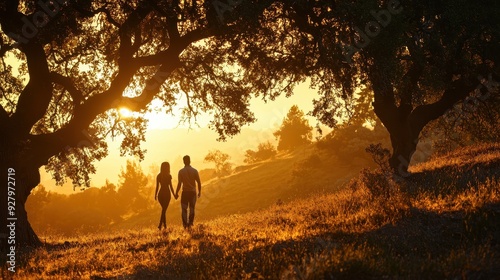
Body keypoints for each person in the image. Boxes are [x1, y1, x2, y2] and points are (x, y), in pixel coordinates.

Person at [175, 155, 202, 229]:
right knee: (192, 208)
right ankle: (190, 223)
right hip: (193, 193)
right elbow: (199, 182)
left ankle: (185, 225)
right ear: (190, 161)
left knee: (184, 209)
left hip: (185, 193)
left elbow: (179, 183)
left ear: (184, 162)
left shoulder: (181, 172)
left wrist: (176, 192)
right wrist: (199, 192)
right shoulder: (195, 171)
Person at [155, 162, 177, 230]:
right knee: (164, 210)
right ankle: (160, 225)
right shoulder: (168, 176)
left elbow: (157, 186)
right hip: (167, 194)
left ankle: (164, 226)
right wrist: (174, 195)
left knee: (163, 210)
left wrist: (155, 194)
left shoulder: (158, 176)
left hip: (160, 194)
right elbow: (171, 186)